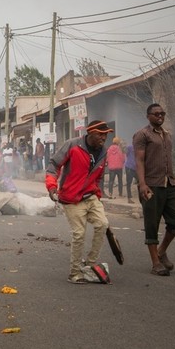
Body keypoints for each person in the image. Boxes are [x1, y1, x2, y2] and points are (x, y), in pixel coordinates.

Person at [45, 120, 113, 284]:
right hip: (71, 197)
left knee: (102, 224)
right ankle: (75, 273)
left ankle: (90, 263)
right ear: (90, 133)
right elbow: (54, 165)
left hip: (91, 196)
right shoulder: (72, 145)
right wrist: (52, 187)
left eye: (106, 134)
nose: (103, 137)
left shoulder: (104, 152)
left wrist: (98, 194)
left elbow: (99, 176)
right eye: (100, 134)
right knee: (79, 234)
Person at [133, 103, 175, 277]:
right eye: (156, 114)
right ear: (148, 116)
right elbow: (139, 161)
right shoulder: (142, 135)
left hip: (169, 184)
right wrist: (142, 184)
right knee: (152, 224)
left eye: (162, 113)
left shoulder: (167, 135)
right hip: (151, 184)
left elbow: (169, 161)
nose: (160, 116)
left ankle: (162, 250)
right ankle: (156, 263)